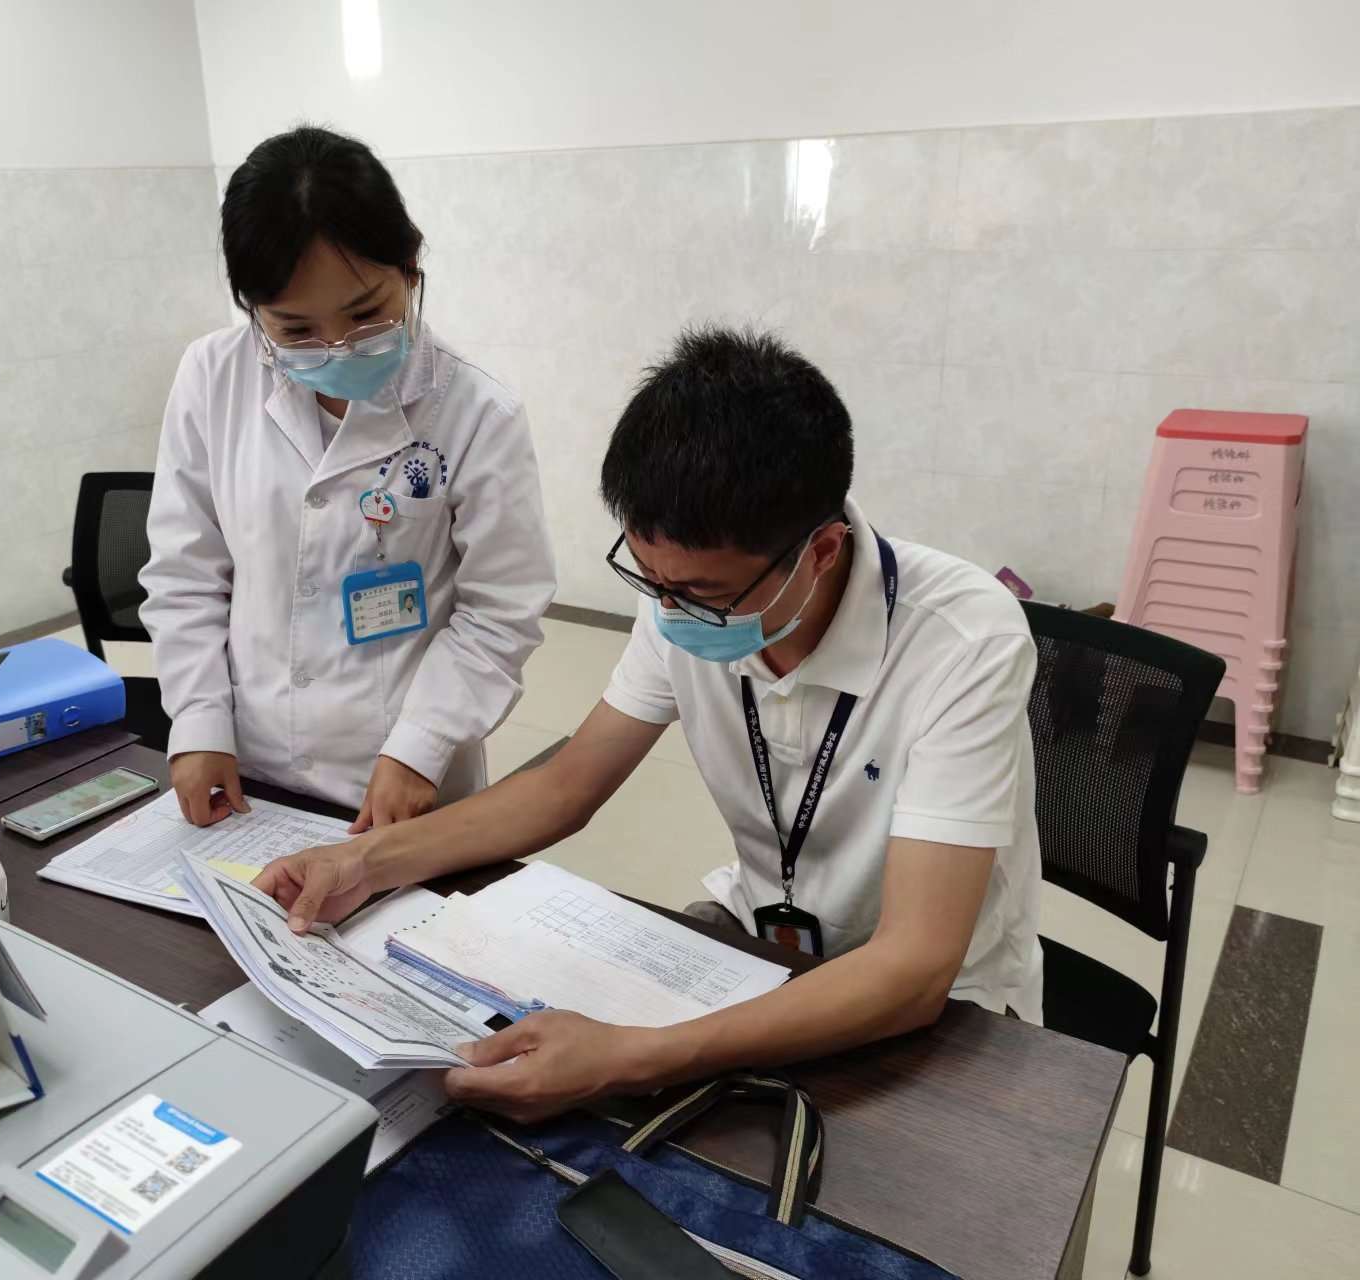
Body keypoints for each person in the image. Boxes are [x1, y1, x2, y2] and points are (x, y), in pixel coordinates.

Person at [255, 327, 1043, 1122]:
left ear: (823, 552)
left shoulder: (965, 638)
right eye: (650, 578)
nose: (671, 610)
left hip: (941, 1002)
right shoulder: (680, 596)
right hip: (754, 943)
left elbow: (914, 967)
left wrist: (635, 1058)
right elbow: (566, 787)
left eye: (703, 594)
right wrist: (364, 862)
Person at [142, 127, 556, 831]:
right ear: (251, 308)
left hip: (402, 780)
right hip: (249, 765)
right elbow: (187, 571)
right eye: (296, 330)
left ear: (411, 267)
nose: (337, 348)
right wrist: (200, 719)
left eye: (367, 315)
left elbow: (501, 610)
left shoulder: (476, 411)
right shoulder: (212, 376)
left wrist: (422, 747)